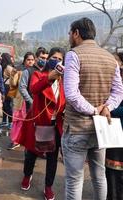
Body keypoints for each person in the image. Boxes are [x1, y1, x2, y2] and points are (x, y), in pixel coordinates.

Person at [62, 17, 123, 200]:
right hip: (100, 128)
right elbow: (118, 92)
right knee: (99, 176)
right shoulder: (110, 58)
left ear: (76, 33)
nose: (70, 37)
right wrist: (107, 107)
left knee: (74, 180)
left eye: (70, 33)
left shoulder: (74, 54)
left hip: (78, 128)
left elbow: (71, 94)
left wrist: (95, 110)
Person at [17, 48, 66, 200]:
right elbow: (34, 88)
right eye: (53, 57)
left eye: (59, 58)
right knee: (32, 153)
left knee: (52, 157)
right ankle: (27, 175)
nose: (56, 60)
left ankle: (48, 186)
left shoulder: (64, 80)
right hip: (39, 122)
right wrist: (50, 77)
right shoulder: (39, 75)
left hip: (55, 124)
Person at [105, 52, 123, 200]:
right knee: (110, 169)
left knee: (117, 170)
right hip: (110, 131)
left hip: (119, 130)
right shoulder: (108, 80)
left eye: (115, 62)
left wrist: (107, 108)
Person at [19, 47, 48, 112]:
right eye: (42, 58)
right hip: (31, 106)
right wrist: (31, 101)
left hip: (44, 106)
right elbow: (22, 88)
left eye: (46, 58)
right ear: (36, 58)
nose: (44, 60)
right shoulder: (27, 71)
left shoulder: (47, 72)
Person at [0, 52, 14, 129]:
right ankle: (5, 121)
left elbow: (15, 76)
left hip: (8, 87)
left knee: (7, 105)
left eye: (2, 57)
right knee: (4, 105)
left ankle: (11, 121)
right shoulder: (3, 66)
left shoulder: (8, 67)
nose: (0, 58)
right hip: (4, 86)